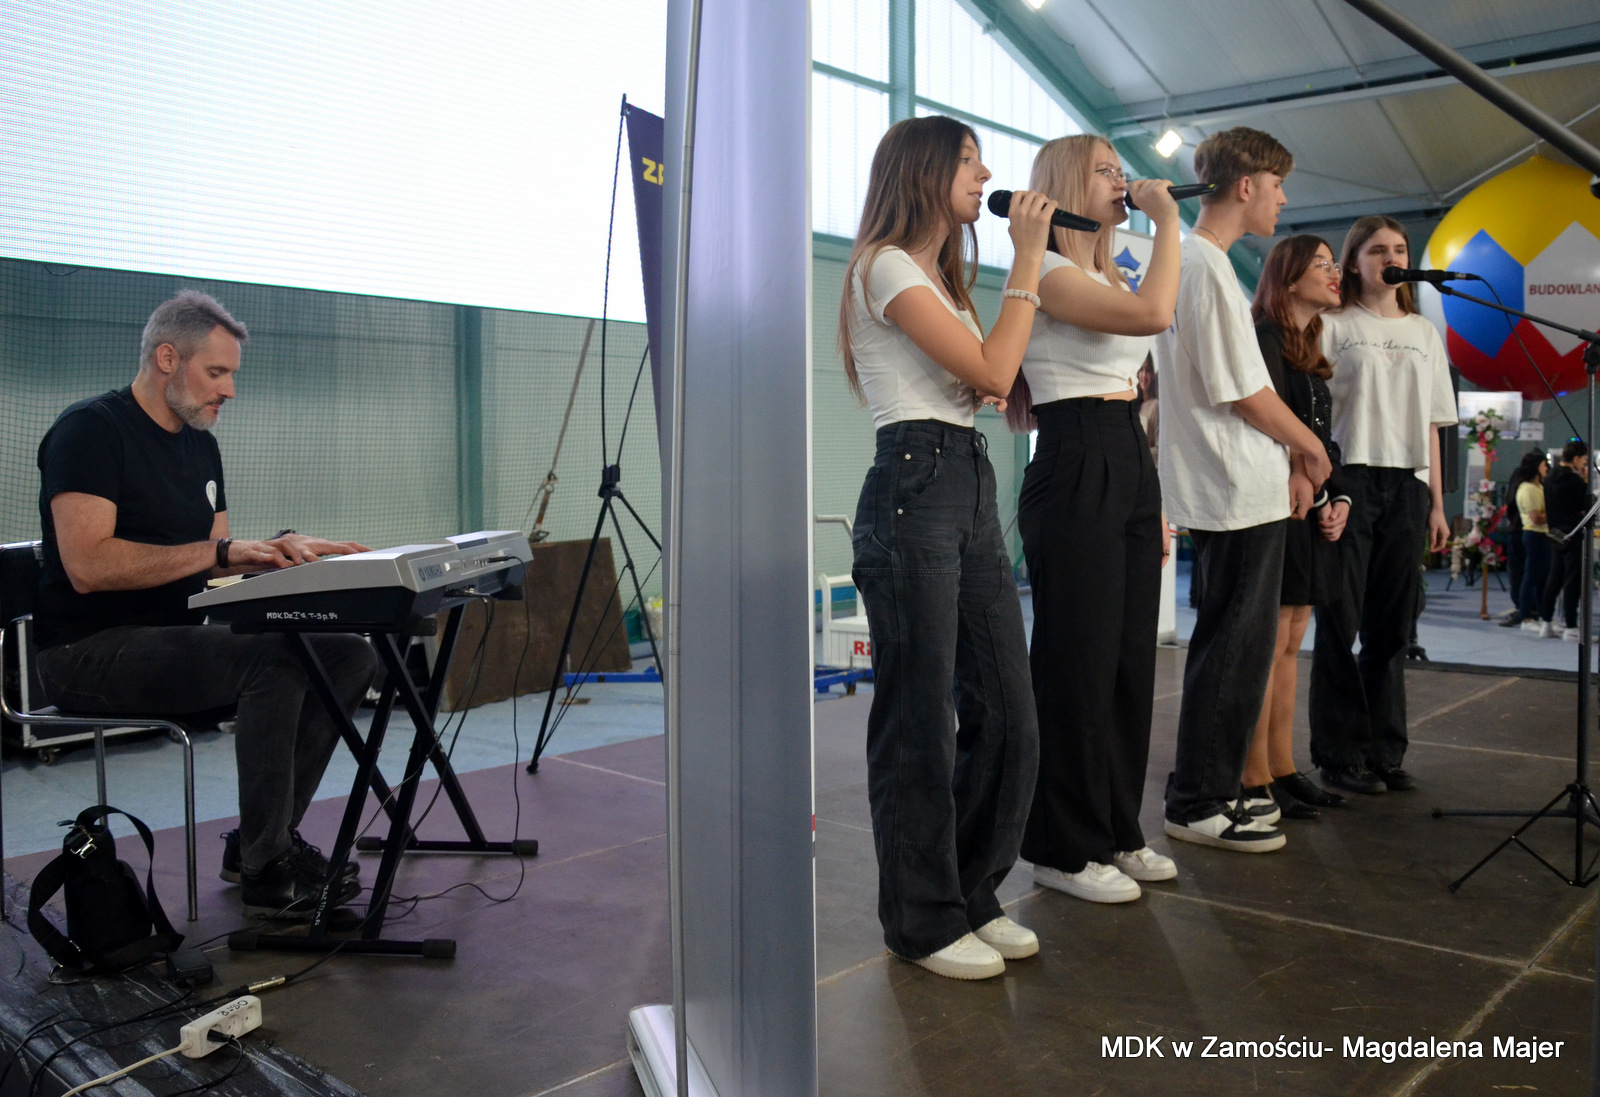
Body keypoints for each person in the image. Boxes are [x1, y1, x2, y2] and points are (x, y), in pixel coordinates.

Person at [33, 290, 378, 919]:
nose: (230, 391)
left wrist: (278, 552)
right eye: (217, 372)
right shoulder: (90, 431)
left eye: (231, 375)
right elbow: (88, 567)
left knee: (348, 655)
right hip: (85, 653)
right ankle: (268, 868)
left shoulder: (200, 443)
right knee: (273, 659)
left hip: (173, 641)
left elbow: (213, 559)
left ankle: (259, 842)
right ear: (168, 358)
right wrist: (223, 551)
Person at [840, 116, 1050, 980]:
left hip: (965, 478)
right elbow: (993, 372)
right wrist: (1028, 259)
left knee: (1008, 709)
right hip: (913, 485)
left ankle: (969, 891)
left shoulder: (944, 284)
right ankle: (921, 921)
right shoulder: (886, 265)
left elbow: (994, 379)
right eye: (968, 160)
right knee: (918, 719)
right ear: (923, 170)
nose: (986, 174)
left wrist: (987, 365)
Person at [1006, 135, 1181, 904]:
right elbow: (1155, 314)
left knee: (1127, 663)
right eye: (1106, 170)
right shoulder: (1047, 270)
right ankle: (1063, 847)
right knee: (1077, 664)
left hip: (1126, 453)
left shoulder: (1106, 270)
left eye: (1120, 169)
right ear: (1069, 182)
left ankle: (1116, 827)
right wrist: (1168, 222)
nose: (1121, 180)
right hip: (1075, 454)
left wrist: (1153, 494)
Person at [1156, 126, 1331, 853]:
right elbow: (1243, 391)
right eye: (1278, 184)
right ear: (1247, 184)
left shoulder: (1207, 264)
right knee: (1233, 649)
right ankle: (1200, 798)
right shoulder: (1201, 264)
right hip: (1232, 486)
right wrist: (1309, 445)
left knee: (1239, 647)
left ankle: (1215, 789)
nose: (1283, 200)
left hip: (1242, 484)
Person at [1310, 216, 1457, 795]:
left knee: (1392, 627)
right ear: (1353, 261)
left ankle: (1384, 749)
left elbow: (1433, 425)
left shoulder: (1424, 332)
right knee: (1340, 621)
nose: (1390, 258)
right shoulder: (1333, 325)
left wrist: (1437, 504)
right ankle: (1339, 753)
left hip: (1408, 485)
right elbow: (1311, 415)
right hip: (1351, 478)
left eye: (1399, 249)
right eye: (1377, 250)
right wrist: (1323, 488)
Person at [1242, 235, 1352, 822]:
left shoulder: (1307, 345)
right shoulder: (1264, 337)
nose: (1336, 273)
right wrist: (1298, 471)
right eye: (1322, 264)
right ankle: (1254, 773)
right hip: (1275, 502)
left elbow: (1321, 439)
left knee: (1291, 641)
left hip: (1308, 506)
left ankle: (1284, 767)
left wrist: (1338, 495)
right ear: (1287, 277)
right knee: (1268, 643)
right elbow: (1266, 421)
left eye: (1335, 264)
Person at [1538, 440, 1592, 640]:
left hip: (1555, 534)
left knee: (1554, 579)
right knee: (1572, 581)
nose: (1585, 464)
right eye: (1584, 460)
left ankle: (1545, 622)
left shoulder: (1549, 478)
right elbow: (1585, 506)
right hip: (1573, 534)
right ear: (1576, 459)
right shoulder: (1574, 481)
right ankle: (1570, 626)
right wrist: (1585, 480)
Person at [1496, 451, 1542, 627]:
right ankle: (1526, 610)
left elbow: (1509, 502)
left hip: (1519, 530)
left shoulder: (1521, 481)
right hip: (1524, 530)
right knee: (1524, 573)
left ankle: (1527, 608)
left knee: (1522, 573)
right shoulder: (1528, 486)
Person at [1511, 451, 1550, 633]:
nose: (1546, 468)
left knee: (1542, 578)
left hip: (1542, 535)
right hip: (1534, 535)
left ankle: (1543, 615)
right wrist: (1558, 513)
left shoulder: (1538, 486)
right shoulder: (1528, 489)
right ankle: (1526, 617)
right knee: (1531, 577)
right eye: (1543, 464)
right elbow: (1536, 518)